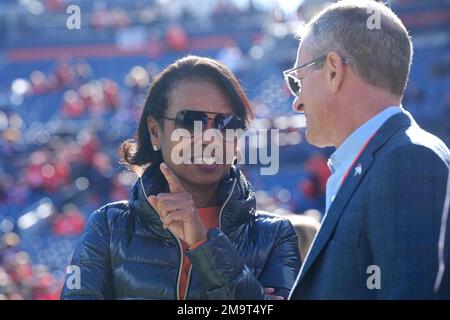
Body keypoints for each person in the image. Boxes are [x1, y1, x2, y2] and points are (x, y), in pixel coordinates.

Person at [61, 55, 301, 300]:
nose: (210, 137)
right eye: (191, 120)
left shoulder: (275, 236)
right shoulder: (108, 227)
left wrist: (202, 243)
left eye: (227, 123)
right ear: (155, 132)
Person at [284, 0, 450, 299]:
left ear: (334, 70)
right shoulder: (389, 158)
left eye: (299, 81)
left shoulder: (405, 160)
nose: (296, 101)